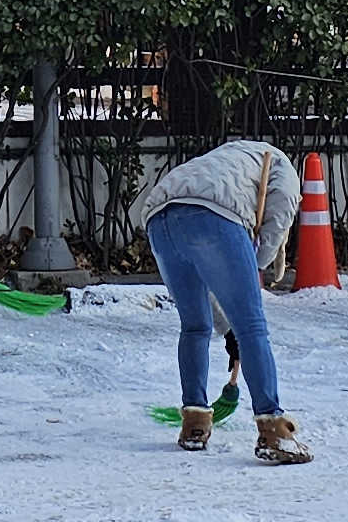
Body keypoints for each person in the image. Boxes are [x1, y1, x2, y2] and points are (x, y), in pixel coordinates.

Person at [131, 136, 309, 462]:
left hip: (159, 218)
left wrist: (225, 321)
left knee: (195, 326)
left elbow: (212, 298)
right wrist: (255, 265)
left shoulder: (224, 159)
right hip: (214, 216)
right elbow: (280, 213)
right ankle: (273, 431)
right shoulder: (279, 163)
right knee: (252, 327)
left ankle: (194, 424)